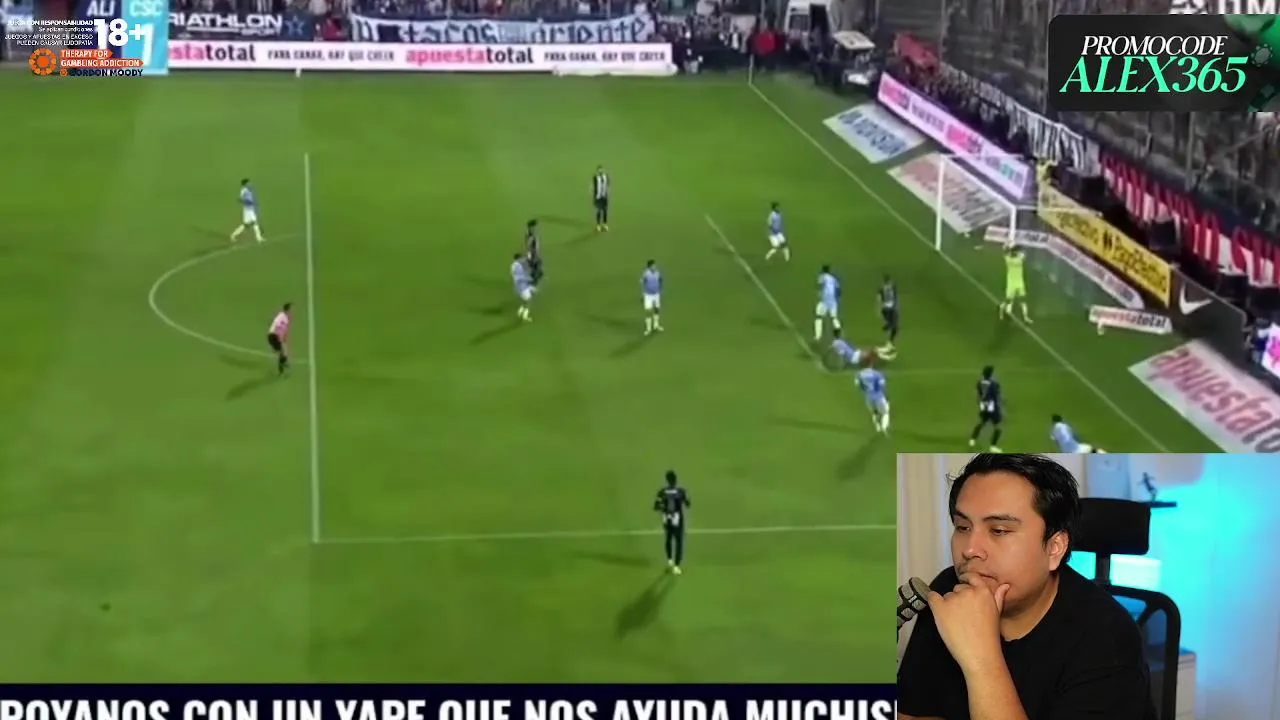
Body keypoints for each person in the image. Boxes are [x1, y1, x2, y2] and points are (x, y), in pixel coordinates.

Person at [898, 453, 1155, 720]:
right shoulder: (949, 591)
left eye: (999, 530)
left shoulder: (1108, 638)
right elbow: (913, 715)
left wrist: (981, 658)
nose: (970, 549)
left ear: (1054, 548)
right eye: (963, 527)